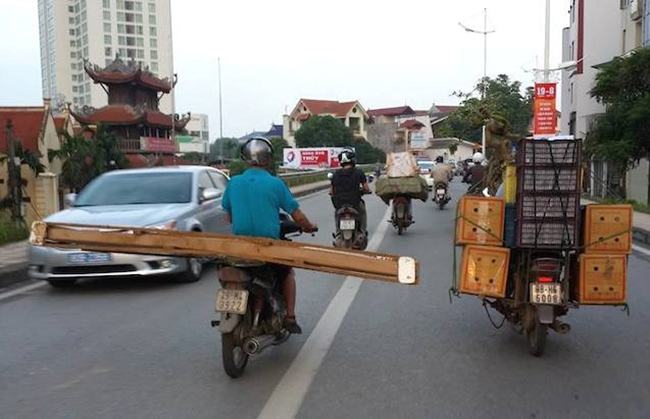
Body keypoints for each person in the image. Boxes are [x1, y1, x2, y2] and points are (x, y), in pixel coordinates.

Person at [222, 137, 317, 334]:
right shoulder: (275, 184)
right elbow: (297, 216)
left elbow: (229, 217)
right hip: (268, 249)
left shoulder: (234, 183)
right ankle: (290, 317)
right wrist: (309, 227)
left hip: (239, 249)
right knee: (287, 272)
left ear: (245, 158)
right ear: (269, 159)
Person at [330, 148, 370, 233]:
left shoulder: (335, 174)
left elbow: (331, 192)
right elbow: (366, 189)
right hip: (354, 203)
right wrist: (363, 192)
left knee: (336, 214)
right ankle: (362, 231)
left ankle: (338, 232)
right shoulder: (359, 172)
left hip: (339, 204)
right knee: (362, 212)